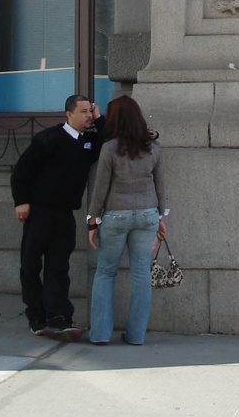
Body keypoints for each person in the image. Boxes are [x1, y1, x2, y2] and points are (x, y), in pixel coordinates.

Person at [11, 94, 105, 339]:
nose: (87, 116)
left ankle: (59, 316)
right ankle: (36, 315)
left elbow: (107, 141)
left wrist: (99, 118)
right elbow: (22, 170)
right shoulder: (49, 139)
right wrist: (21, 201)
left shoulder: (89, 142)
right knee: (31, 265)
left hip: (65, 215)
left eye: (90, 111)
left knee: (58, 266)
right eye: (83, 111)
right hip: (39, 211)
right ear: (68, 115)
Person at [87, 95, 166, 346]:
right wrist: (161, 217)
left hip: (116, 214)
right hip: (147, 214)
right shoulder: (154, 148)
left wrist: (92, 221)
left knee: (105, 272)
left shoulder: (109, 149)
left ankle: (100, 333)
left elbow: (100, 188)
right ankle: (136, 335)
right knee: (141, 273)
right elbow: (161, 186)